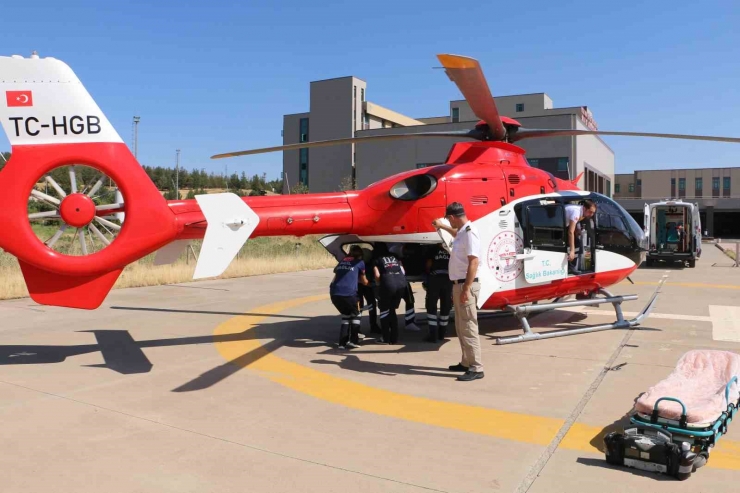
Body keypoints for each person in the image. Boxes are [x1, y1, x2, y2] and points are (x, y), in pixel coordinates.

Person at [432, 202, 484, 382]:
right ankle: (466, 362)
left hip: (465, 285)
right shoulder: (462, 232)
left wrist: (466, 288)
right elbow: (455, 233)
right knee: (461, 327)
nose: (449, 222)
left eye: (448, 219)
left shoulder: (470, 233)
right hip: (458, 284)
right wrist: (443, 227)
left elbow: (474, 262)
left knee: (469, 326)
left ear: (453, 217)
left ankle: (476, 367)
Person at [329, 245, 368, 349]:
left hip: (334, 293)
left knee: (346, 316)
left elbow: (336, 271)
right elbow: (364, 281)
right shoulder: (360, 263)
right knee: (356, 315)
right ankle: (353, 341)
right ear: (360, 255)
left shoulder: (342, 261)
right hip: (349, 294)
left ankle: (342, 343)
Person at [373, 243, 408, 345]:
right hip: (401, 283)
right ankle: (394, 338)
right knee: (392, 310)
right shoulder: (395, 256)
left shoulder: (377, 259)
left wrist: (380, 285)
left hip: (388, 283)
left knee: (384, 311)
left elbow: (377, 275)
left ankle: (385, 338)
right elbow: (403, 271)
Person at [424, 243, 453, 343]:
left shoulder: (433, 249)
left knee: (431, 305)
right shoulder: (450, 249)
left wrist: (428, 275)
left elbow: (429, 264)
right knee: (446, 306)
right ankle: (442, 333)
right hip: (447, 279)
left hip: (435, 279)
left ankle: (433, 335)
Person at [564, 199, 597, 274]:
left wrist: (578, 229)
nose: (591, 214)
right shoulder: (576, 211)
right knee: (575, 244)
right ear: (585, 208)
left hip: (563, 224)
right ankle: (570, 267)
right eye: (590, 212)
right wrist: (572, 251)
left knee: (577, 243)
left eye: (593, 213)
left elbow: (576, 221)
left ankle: (571, 266)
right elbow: (570, 232)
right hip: (558, 226)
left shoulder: (581, 211)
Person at [359, 247, 381, 334]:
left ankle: (358, 327)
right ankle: (373, 325)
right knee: (368, 305)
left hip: (364, 286)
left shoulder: (360, 263)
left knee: (365, 306)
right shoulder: (370, 263)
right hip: (365, 286)